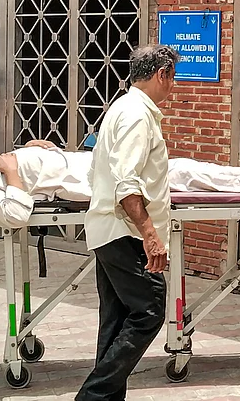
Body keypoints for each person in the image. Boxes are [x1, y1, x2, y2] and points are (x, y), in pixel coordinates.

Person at [75, 45, 178, 401]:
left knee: (117, 320)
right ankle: (91, 396)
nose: (172, 87)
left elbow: (99, 171)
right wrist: (150, 235)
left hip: (108, 230)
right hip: (125, 233)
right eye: (173, 78)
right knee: (149, 311)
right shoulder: (137, 115)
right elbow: (127, 184)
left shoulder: (122, 108)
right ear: (162, 73)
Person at [0, 142, 240, 228]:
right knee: (185, 173)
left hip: (90, 163)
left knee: (184, 168)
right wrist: (15, 172)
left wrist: (42, 148)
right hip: (99, 181)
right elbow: (16, 214)